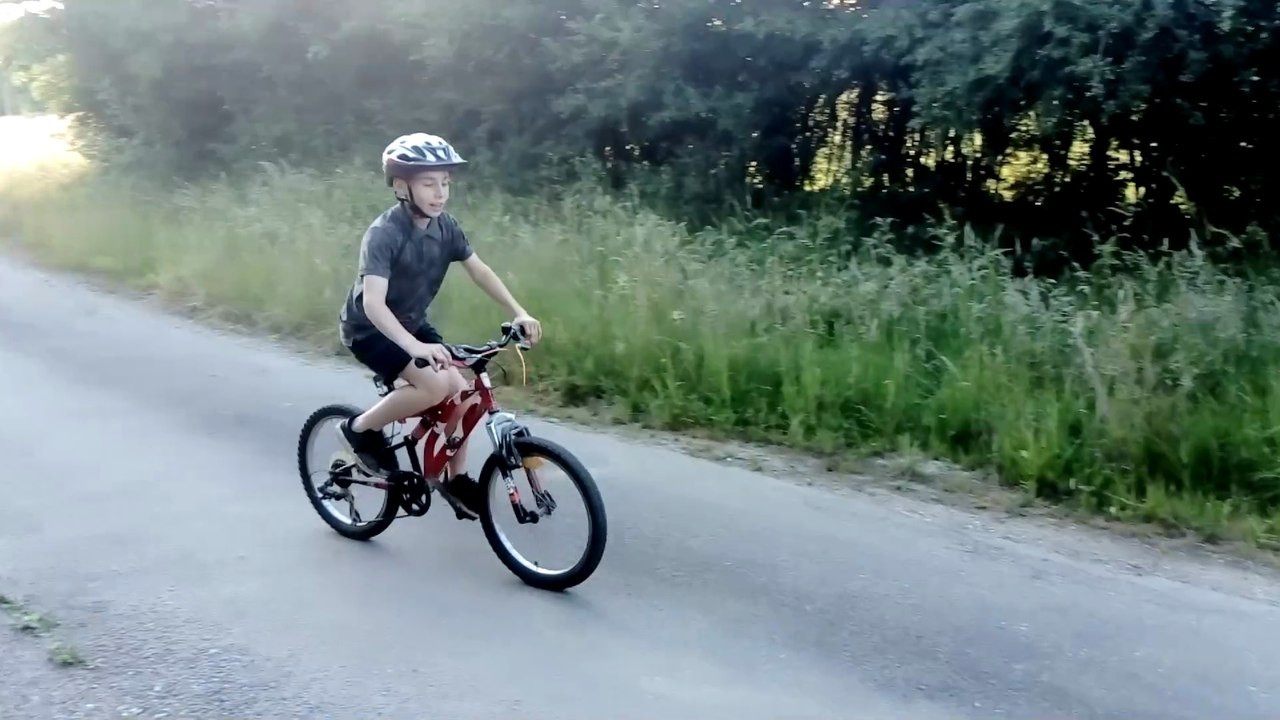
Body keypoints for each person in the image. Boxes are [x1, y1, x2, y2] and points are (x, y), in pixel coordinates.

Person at [335, 132, 542, 519]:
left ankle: (453, 477)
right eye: (429, 183)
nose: (440, 192)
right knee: (432, 385)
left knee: (460, 392)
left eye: (445, 182)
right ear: (402, 186)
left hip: (413, 324)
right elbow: (373, 303)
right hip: (370, 329)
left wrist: (519, 311)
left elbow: (479, 271)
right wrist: (414, 348)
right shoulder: (384, 234)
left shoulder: (446, 227)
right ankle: (360, 429)